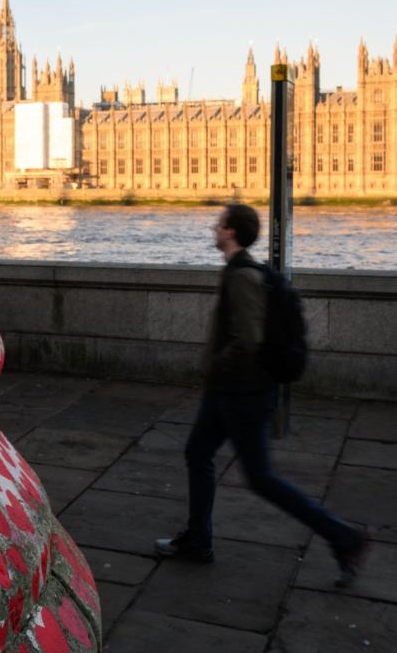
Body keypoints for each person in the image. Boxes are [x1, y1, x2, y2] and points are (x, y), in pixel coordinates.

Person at [155, 203, 368, 586]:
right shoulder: (239, 271)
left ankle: (344, 537)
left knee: (262, 478)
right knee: (197, 453)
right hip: (228, 391)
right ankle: (198, 540)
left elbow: (248, 342)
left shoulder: (242, 278)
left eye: (218, 224)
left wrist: (213, 365)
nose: (213, 228)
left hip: (243, 394)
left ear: (231, 232)